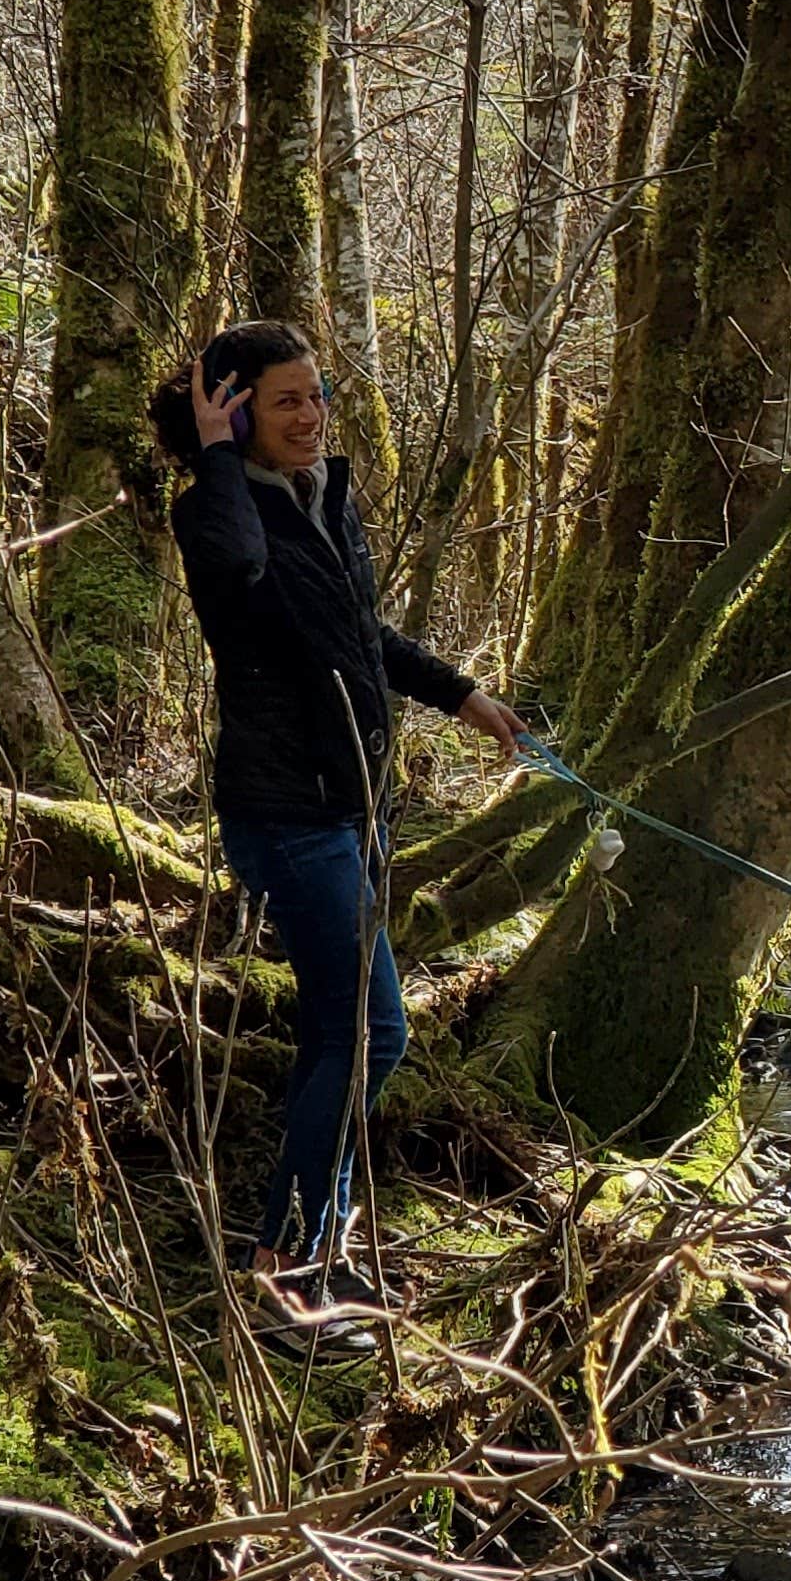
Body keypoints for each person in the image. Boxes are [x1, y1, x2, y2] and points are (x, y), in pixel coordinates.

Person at [151, 320, 524, 1312]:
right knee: (374, 1032)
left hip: (357, 805)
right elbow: (236, 579)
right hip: (287, 812)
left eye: (317, 395)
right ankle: (279, 1265)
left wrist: (461, 695)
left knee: (335, 1033)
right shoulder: (215, 513)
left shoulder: (325, 500)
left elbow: (359, 634)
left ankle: (320, 1243)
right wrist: (219, 456)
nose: (313, 416)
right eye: (285, 402)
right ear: (232, 415)